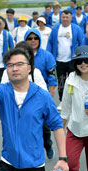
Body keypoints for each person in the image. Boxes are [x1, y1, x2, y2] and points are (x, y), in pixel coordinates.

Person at [24, 29, 58, 159]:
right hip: (24, 97)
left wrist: (51, 91)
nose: (33, 41)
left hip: (41, 96)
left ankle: (48, 144)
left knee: (44, 127)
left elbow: (52, 75)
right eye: (30, 38)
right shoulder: (21, 56)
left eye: (35, 38)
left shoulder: (47, 56)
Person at [46, 9, 84, 110]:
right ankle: (63, 102)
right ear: (60, 18)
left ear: (71, 18)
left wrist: (79, 56)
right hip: (59, 61)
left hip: (72, 61)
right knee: (61, 83)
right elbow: (50, 43)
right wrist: (49, 56)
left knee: (73, 82)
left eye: (67, 17)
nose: (65, 19)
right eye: (63, 17)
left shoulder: (76, 29)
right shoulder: (56, 29)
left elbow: (81, 42)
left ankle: (73, 102)